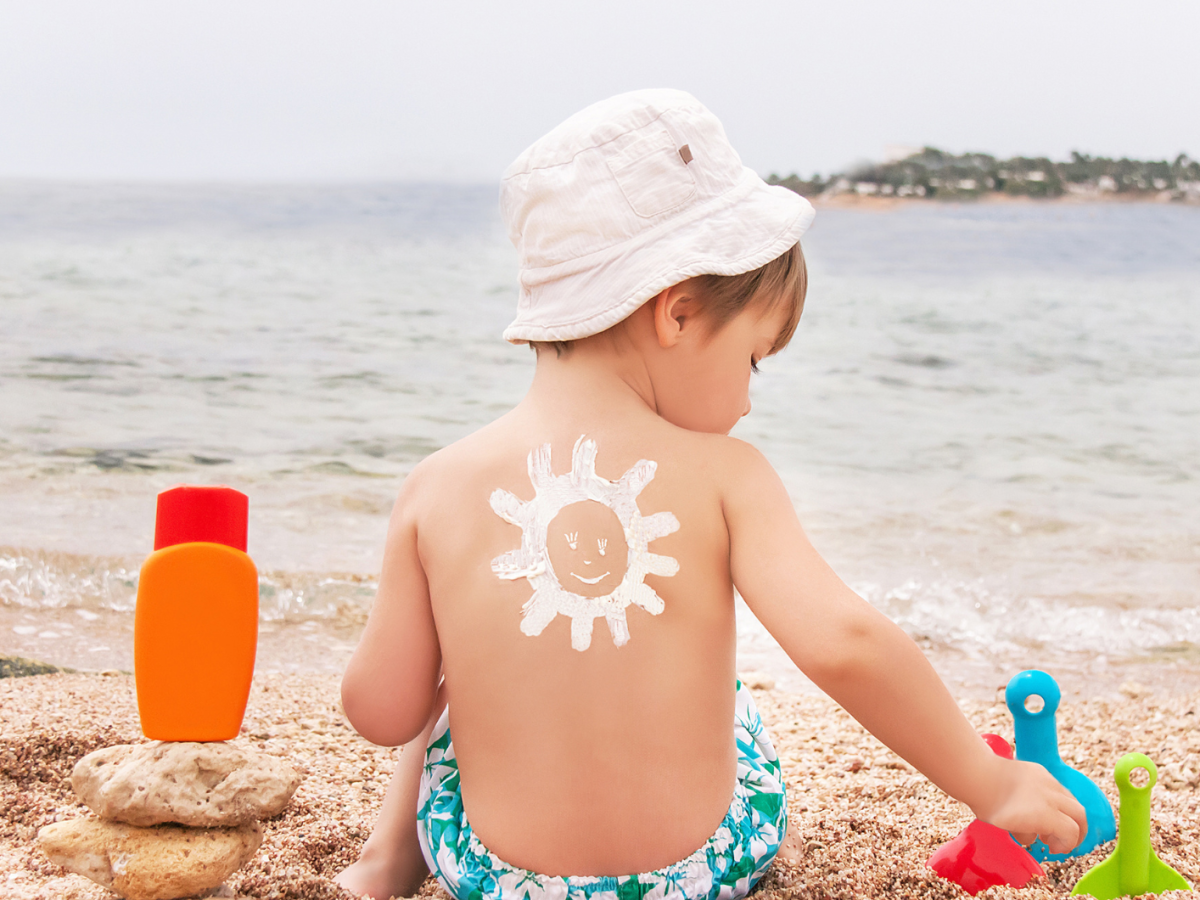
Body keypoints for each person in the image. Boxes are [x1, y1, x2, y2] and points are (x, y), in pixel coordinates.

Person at [335, 89, 1087, 900]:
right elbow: (843, 643)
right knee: (729, 706)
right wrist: (990, 783)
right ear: (679, 314)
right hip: (696, 870)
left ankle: (384, 868)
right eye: (755, 360)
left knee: (451, 692)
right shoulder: (728, 473)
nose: (749, 399)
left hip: (495, 877)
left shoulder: (435, 486)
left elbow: (382, 712)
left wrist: (466, 659)